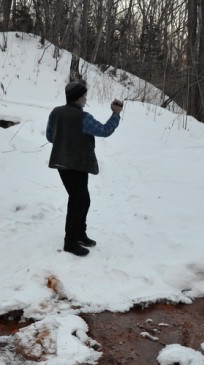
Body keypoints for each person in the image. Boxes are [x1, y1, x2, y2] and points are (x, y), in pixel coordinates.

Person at [46, 81, 123, 256]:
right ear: (79, 97)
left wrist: (66, 141)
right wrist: (115, 114)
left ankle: (80, 234)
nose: (86, 98)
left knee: (82, 200)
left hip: (62, 164)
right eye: (84, 96)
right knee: (77, 201)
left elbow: (51, 137)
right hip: (76, 165)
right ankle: (70, 242)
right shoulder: (83, 118)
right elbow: (104, 131)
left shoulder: (55, 113)